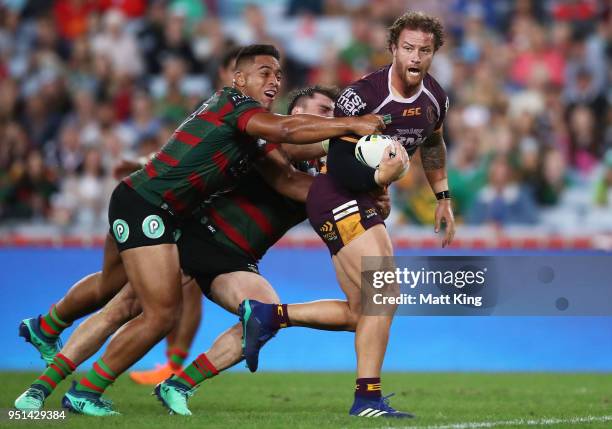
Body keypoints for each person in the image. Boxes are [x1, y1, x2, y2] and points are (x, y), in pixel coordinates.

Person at [17, 44, 387, 416]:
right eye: (322, 113)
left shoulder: (316, 170)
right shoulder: (263, 135)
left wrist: (363, 193)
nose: (273, 80)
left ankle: (178, 383)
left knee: (262, 316)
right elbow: (289, 175)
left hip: (235, 259)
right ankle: (49, 384)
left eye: (277, 74)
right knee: (131, 306)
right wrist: (355, 154)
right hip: (191, 234)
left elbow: (193, 151)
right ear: (298, 114)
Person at [238, 12, 456, 418]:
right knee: (386, 293)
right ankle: (367, 399)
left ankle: (269, 315)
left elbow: (433, 145)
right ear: (393, 48)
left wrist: (442, 195)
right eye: (408, 48)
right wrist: (378, 177)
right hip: (336, 193)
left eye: (424, 51)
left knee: (361, 312)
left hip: (362, 199)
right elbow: (337, 160)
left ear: (434, 54)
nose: (415, 57)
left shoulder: (436, 100)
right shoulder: (362, 95)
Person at [128, 45, 245, 387]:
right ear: (226, 74)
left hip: (209, 209)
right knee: (152, 289)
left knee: (186, 285)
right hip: (182, 203)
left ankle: (174, 362)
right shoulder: (214, 108)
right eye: (233, 71)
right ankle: (169, 361)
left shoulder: (250, 114)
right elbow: (178, 153)